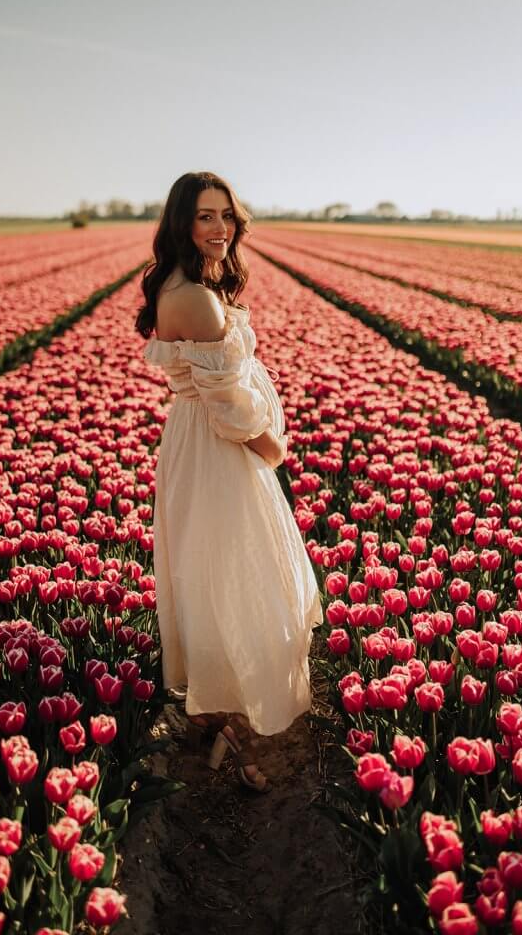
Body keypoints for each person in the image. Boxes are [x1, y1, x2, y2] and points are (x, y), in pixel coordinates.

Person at [136, 171, 323, 793]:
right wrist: (272, 447)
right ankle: (230, 724)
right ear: (181, 225)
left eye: (225, 216)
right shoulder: (197, 297)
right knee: (239, 573)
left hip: (198, 444)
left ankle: (215, 717)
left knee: (212, 570)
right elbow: (230, 403)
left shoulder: (188, 285)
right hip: (221, 448)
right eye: (204, 217)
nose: (219, 229)